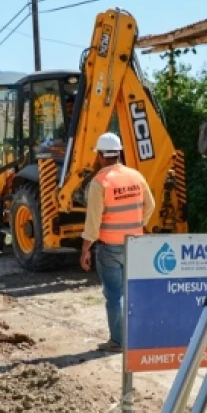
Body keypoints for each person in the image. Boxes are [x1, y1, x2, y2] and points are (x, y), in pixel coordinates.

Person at [80, 132, 155, 352]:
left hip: (109, 247)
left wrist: (85, 248)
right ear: (119, 153)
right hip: (135, 244)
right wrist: (136, 223)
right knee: (133, 292)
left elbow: (93, 221)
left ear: (101, 156)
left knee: (114, 295)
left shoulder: (99, 182)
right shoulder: (136, 177)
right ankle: (136, 337)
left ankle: (118, 341)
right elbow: (150, 206)